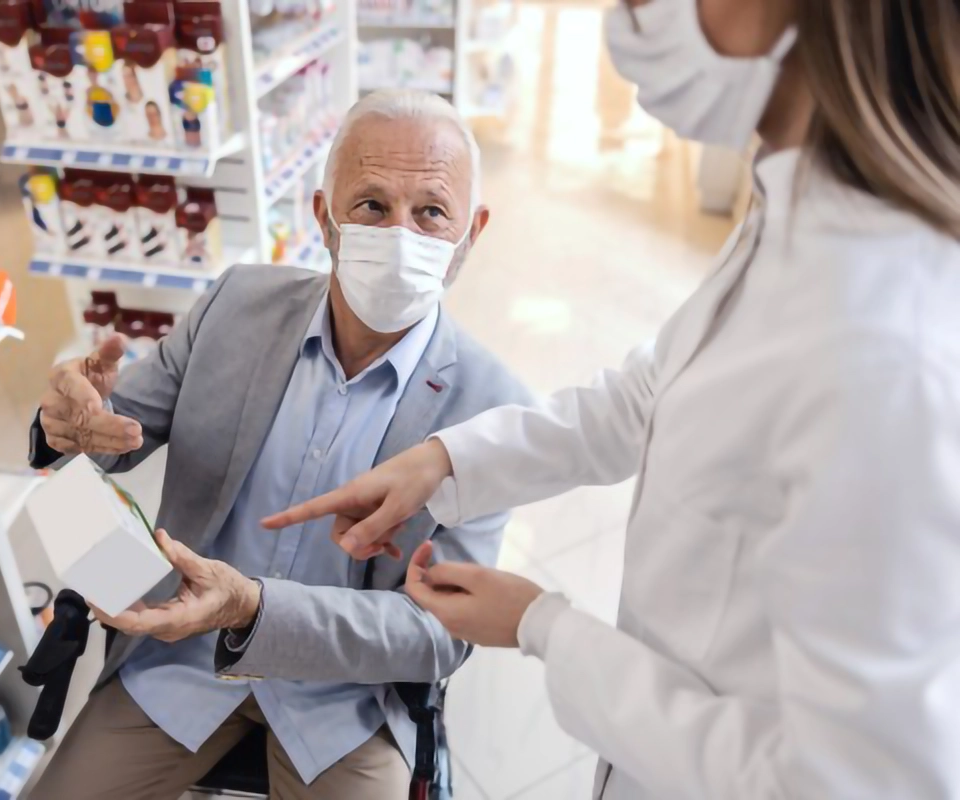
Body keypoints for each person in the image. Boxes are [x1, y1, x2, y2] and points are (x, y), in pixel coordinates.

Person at [264, 1, 960, 797]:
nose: (633, 16)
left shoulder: (889, 345)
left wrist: (545, 628)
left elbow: (855, 779)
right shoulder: (793, 212)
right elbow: (648, 394)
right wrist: (441, 460)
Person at [27, 89, 532, 800]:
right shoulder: (237, 306)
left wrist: (254, 612)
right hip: (182, 657)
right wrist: (69, 419)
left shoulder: (491, 405)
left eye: (430, 213)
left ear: (471, 232)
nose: (399, 237)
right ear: (323, 217)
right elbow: (112, 435)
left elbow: (440, 633)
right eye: (371, 206)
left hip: (345, 698)